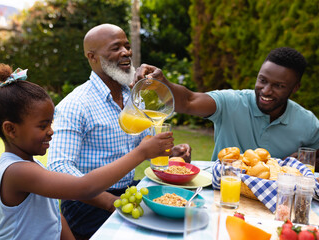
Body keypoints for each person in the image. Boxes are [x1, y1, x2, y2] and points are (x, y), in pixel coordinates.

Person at [0, 63, 174, 240]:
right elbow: (84, 187)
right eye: (43, 126)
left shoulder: (30, 166)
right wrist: (141, 153)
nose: (51, 131)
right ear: (11, 129)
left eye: (50, 123)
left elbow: (53, 216)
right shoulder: (18, 172)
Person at [47, 23, 191, 239]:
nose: (126, 52)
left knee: (182, 216)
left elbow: (143, 143)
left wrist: (172, 153)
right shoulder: (75, 104)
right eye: (115, 48)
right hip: (87, 204)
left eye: (127, 46)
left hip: (127, 191)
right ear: (92, 57)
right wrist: (109, 202)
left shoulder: (135, 96)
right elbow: (59, 168)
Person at [134, 47, 319, 170]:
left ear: (295, 88)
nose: (266, 91)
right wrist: (162, 83)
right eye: (262, 80)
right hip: (222, 195)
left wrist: (306, 161)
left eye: (278, 86)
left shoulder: (308, 123)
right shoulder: (232, 102)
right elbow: (188, 101)